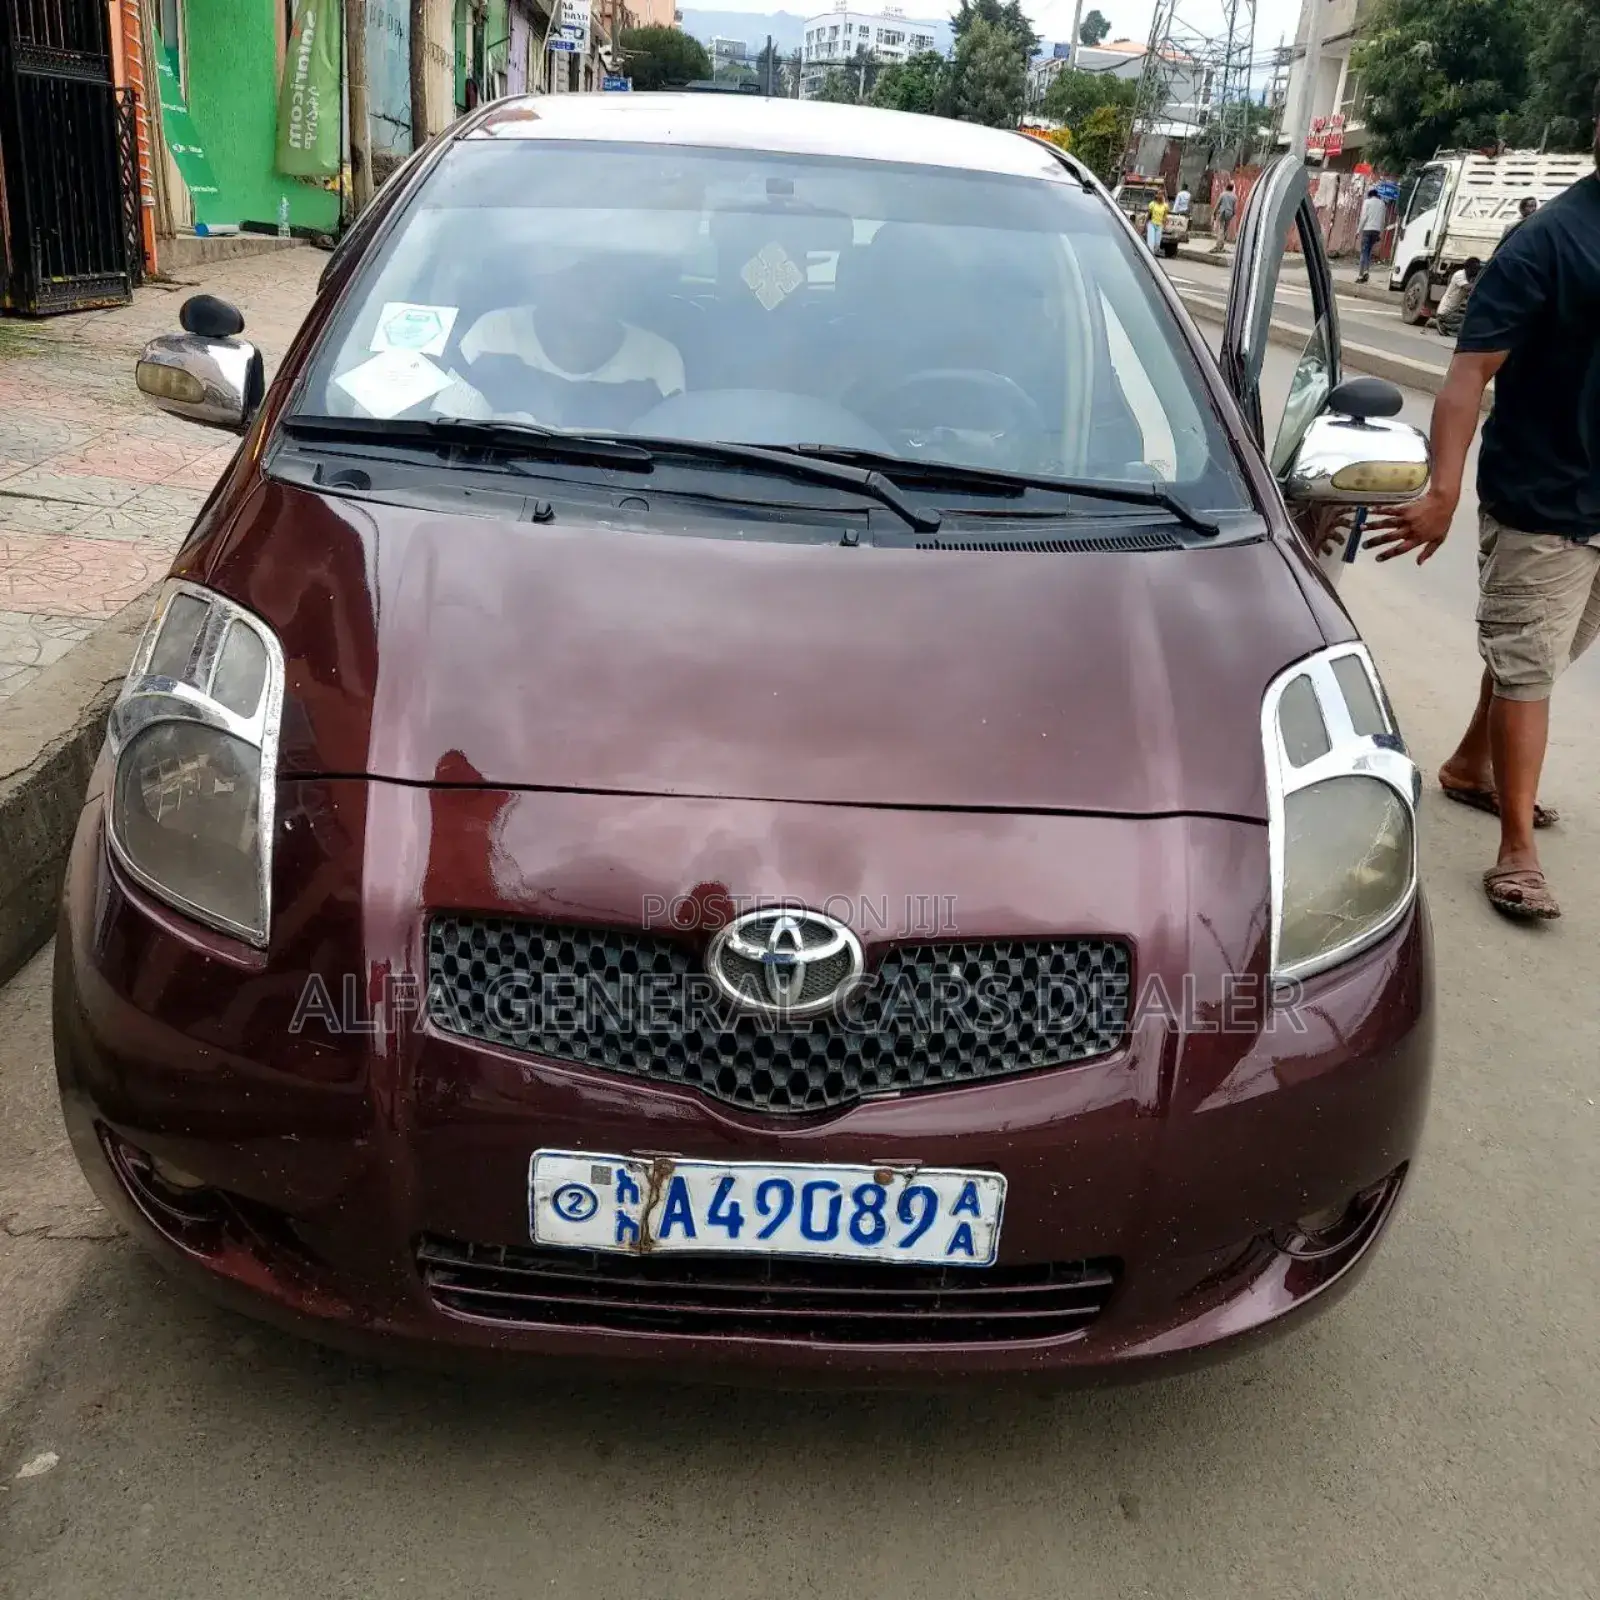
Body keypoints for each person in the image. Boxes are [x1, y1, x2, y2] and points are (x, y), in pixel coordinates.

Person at [1364, 90, 1600, 922]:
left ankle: (1470, 765)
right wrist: (1443, 487)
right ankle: (1517, 851)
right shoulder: (1548, 241)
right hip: (1543, 497)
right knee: (1530, 665)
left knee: (1538, 652)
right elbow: (1468, 373)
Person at [1432, 256, 1482, 337]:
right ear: (1468, 268)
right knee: (1469, 322)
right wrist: (1481, 282)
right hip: (1445, 313)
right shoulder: (1459, 275)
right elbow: (1468, 287)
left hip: (1452, 312)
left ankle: (1445, 324)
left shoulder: (1469, 278)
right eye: (1475, 269)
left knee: (1471, 320)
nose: (1476, 271)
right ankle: (1444, 325)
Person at [1356, 185, 1388, 282]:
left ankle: (1360, 276)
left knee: (1363, 252)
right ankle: (1366, 271)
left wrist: (1358, 230)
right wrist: (1380, 233)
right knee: (1368, 251)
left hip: (1367, 229)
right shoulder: (1382, 204)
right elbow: (1383, 221)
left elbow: (1364, 217)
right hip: (1376, 231)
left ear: (1369, 195)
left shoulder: (1367, 202)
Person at [1211, 179, 1237, 253]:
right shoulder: (1234, 197)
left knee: (1221, 229)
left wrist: (1214, 213)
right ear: (1232, 189)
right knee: (1225, 229)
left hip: (1223, 212)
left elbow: (1218, 204)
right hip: (1229, 213)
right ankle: (1222, 245)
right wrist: (1232, 214)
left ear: (1226, 187)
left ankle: (1219, 245)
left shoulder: (1223, 194)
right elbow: (1235, 208)